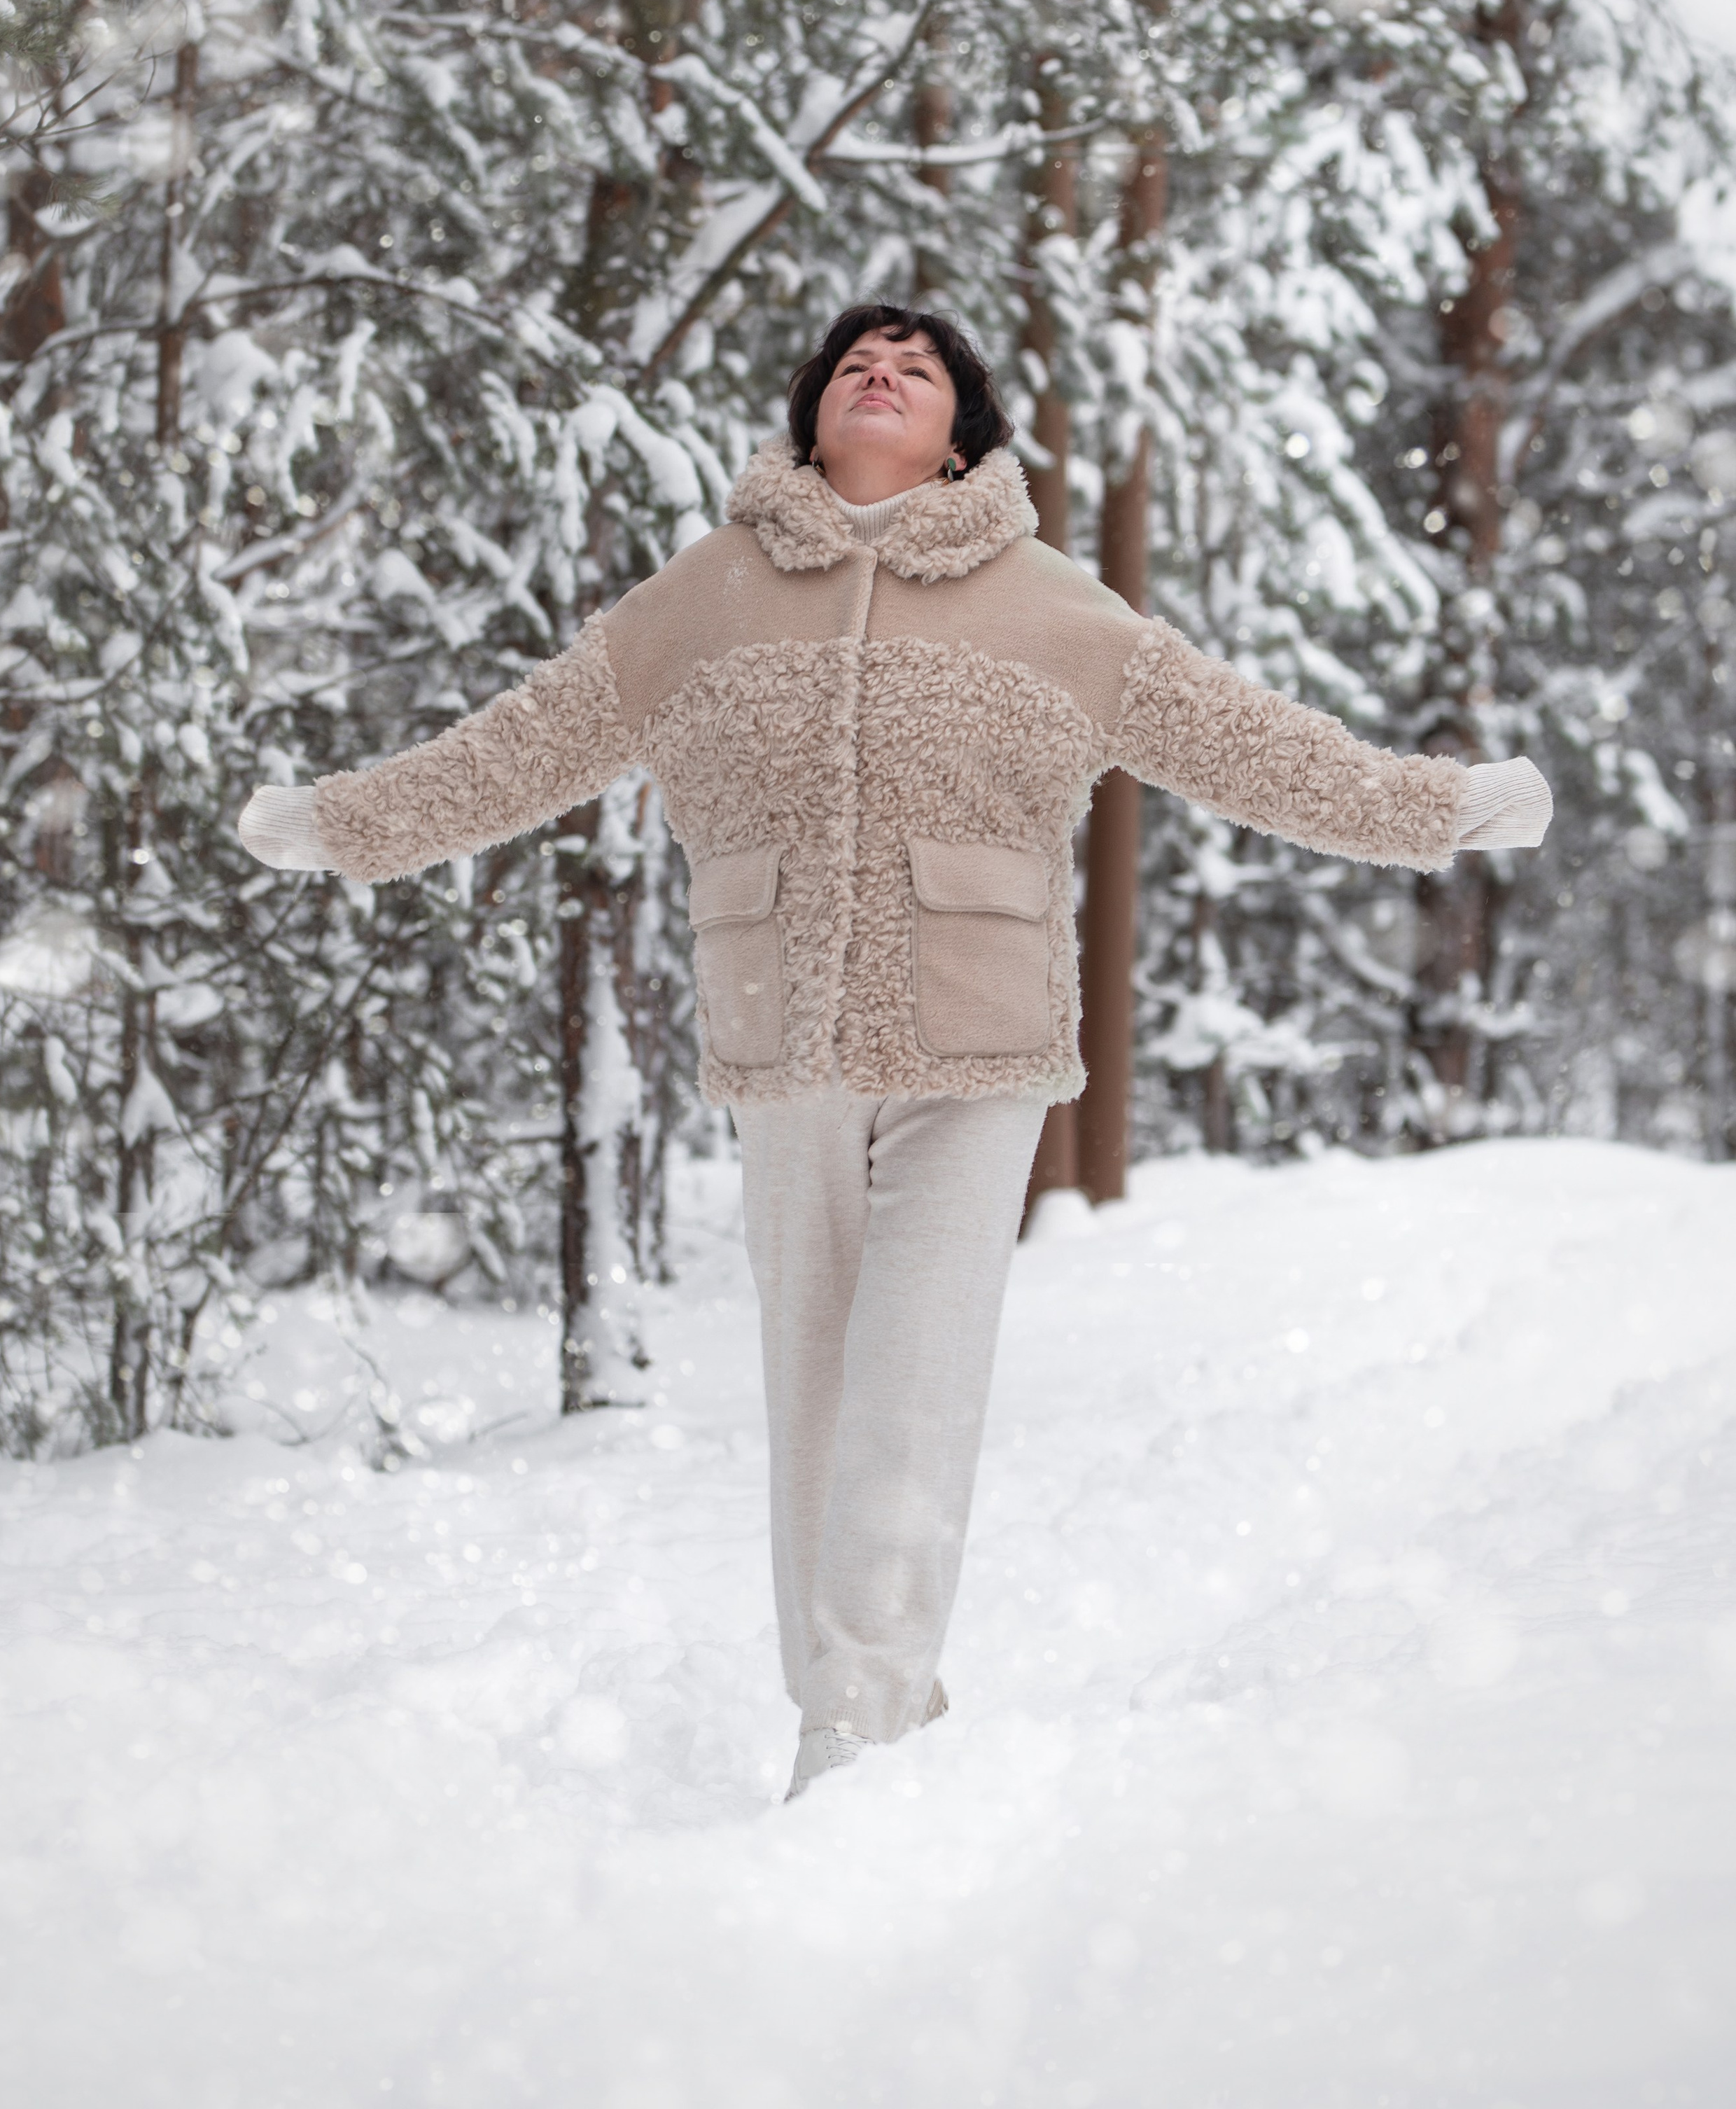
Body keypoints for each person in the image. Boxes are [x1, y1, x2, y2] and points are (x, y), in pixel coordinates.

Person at [239, 305, 1551, 1800]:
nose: (879, 375)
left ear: (960, 436)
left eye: (914, 369)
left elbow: (1244, 741)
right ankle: (863, 1700)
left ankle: (851, 1723)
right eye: (855, 364)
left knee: (913, 1378)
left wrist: (1433, 809)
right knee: (813, 1385)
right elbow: (519, 747)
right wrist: (344, 827)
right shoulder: (708, 596)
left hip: (975, 1043)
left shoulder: (1047, 604)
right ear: (813, 415)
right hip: (780, 1031)